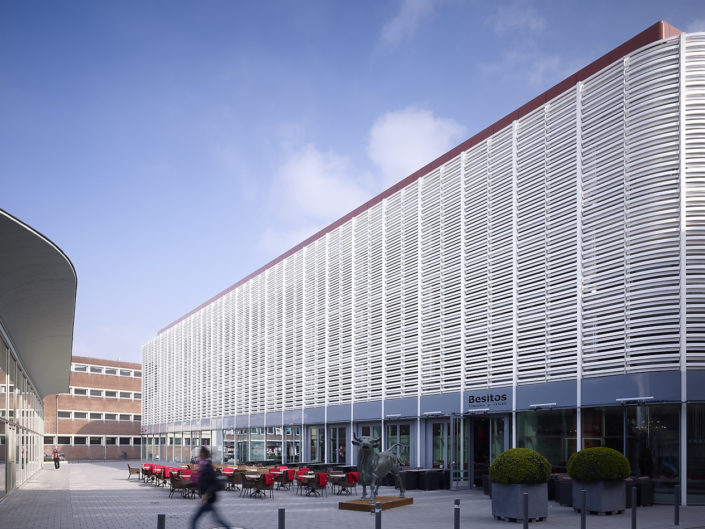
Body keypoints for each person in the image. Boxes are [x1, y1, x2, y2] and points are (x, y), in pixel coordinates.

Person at [190, 446, 232, 529]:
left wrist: (206, 494)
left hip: (208, 498)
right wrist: (190, 484)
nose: (198, 455)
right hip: (207, 498)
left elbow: (215, 483)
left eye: (200, 453)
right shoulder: (203, 466)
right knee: (218, 520)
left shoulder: (208, 467)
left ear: (203, 454)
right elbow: (202, 482)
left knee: (194, 520)